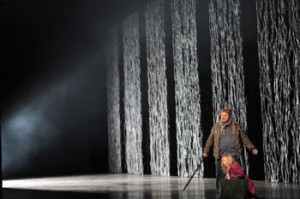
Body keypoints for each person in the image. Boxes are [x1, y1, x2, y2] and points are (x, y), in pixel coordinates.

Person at [202, 108, 258, 197]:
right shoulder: (216, 126)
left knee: (237, 175)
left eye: (225, 116)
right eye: (222, 115)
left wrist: (252, 148)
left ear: (229, 116)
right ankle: (219, 194)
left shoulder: (235, 126)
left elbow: (244, 138)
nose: (223, 117)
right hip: (221, 156)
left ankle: (238, 194)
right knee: (220, 176)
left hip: (233, 155)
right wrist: (206, 151)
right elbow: (210, 140)